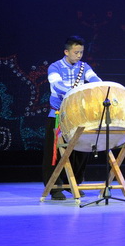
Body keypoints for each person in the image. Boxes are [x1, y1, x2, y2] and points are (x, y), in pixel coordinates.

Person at [42, 35, 103, 200]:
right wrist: (76, 93)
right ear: (66, 52)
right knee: (55, 152)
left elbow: (95, 80)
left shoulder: (84, 67)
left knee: (81, 150)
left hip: (79, 116)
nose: (79, 55)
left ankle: (73, 183)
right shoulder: (55, 67)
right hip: (59, 115)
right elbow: (57, 85)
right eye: (76, 52)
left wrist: (100, 87)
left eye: (81, 52)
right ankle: (55, 187)